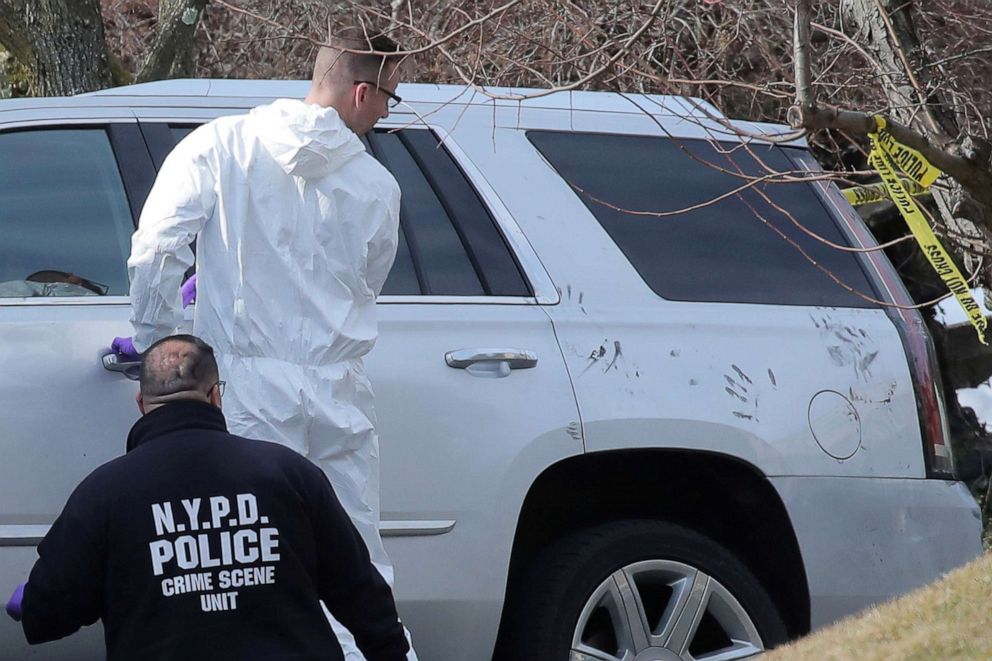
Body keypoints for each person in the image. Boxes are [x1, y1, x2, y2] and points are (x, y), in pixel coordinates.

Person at [111, 30, 416, 660]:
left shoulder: (220, 147)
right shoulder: (378, 187)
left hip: (247, 390)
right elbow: (367, 282)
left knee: (251, 562)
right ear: (362, 92)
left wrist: (161, 349)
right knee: (352, 555)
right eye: (390, 98)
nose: (388, 113)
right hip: (338, 388)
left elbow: (156, 251)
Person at [5, 335, 410, 661]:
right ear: (217, 396)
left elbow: (48, 614)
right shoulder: (290, 473)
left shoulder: (103, 494)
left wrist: (36, 600)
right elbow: (360, 591)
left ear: (141, 404)